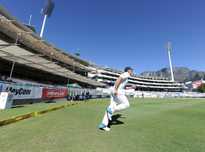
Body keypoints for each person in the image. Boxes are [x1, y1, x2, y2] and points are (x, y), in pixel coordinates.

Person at [98, 67, 133, 131]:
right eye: (131, 70)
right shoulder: (126, 73)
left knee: (110, 109)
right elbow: (118, 80)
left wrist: (130, 87)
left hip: (114, 91)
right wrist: (116, 89)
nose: (132, 72)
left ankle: (103, 125)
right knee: (126, 104)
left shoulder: (126, 76)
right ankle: (112, 109)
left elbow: (121, 85)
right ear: (128, 70)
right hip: (117, 91)